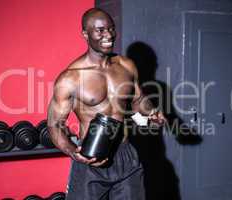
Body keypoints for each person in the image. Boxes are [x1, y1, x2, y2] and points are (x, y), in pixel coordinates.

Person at [47, 8, 165, 200]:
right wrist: (73, 152)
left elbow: (138, 100)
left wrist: (152, 112)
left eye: (111, 29)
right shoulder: (71, 78)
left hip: (126, 156)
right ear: (85, 34)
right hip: (92, 159)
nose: (108, 35)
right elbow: (54, 124)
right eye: (100, 30)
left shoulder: (126, 66)